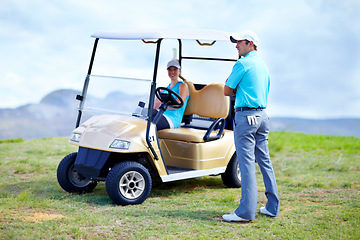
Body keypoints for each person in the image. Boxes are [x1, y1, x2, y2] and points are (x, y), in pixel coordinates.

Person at [222, 31, 280, 222]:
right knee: (264, 161)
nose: (236, 46)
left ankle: (245, 212)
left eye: (239, 42)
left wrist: (235, 87)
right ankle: (272, 207)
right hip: (262, 116)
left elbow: (226, 90)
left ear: (250, 43)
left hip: (246, 117)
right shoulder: (262, 65)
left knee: (246, 164)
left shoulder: (242, 63)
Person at [153, 60, 189, 130]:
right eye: (170, 70)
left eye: (175, 69)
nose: (172, 72)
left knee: (150, 124)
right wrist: (164, 104)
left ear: (179, 71)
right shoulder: (163, 89)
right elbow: (154, 106)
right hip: (160, 113)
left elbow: (178, 104)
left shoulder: (183, 86)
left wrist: (163, 104)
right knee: (144, 115)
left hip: (172, 118)